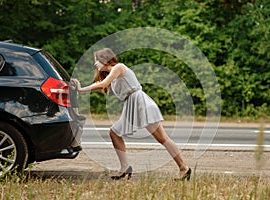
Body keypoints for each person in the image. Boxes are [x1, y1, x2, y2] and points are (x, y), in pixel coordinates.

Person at [71, 48, 191, 180]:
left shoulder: (118, 67)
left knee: (162, 138)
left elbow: (103, 84)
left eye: (96, 61)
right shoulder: (112, 75)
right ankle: (125, 167)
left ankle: (184, 168)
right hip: (133, 105)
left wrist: (81, 90)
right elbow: (101, 83)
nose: (95, 64)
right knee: (115, 133)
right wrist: (80, 89)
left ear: (104, 60)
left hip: (141, 104)